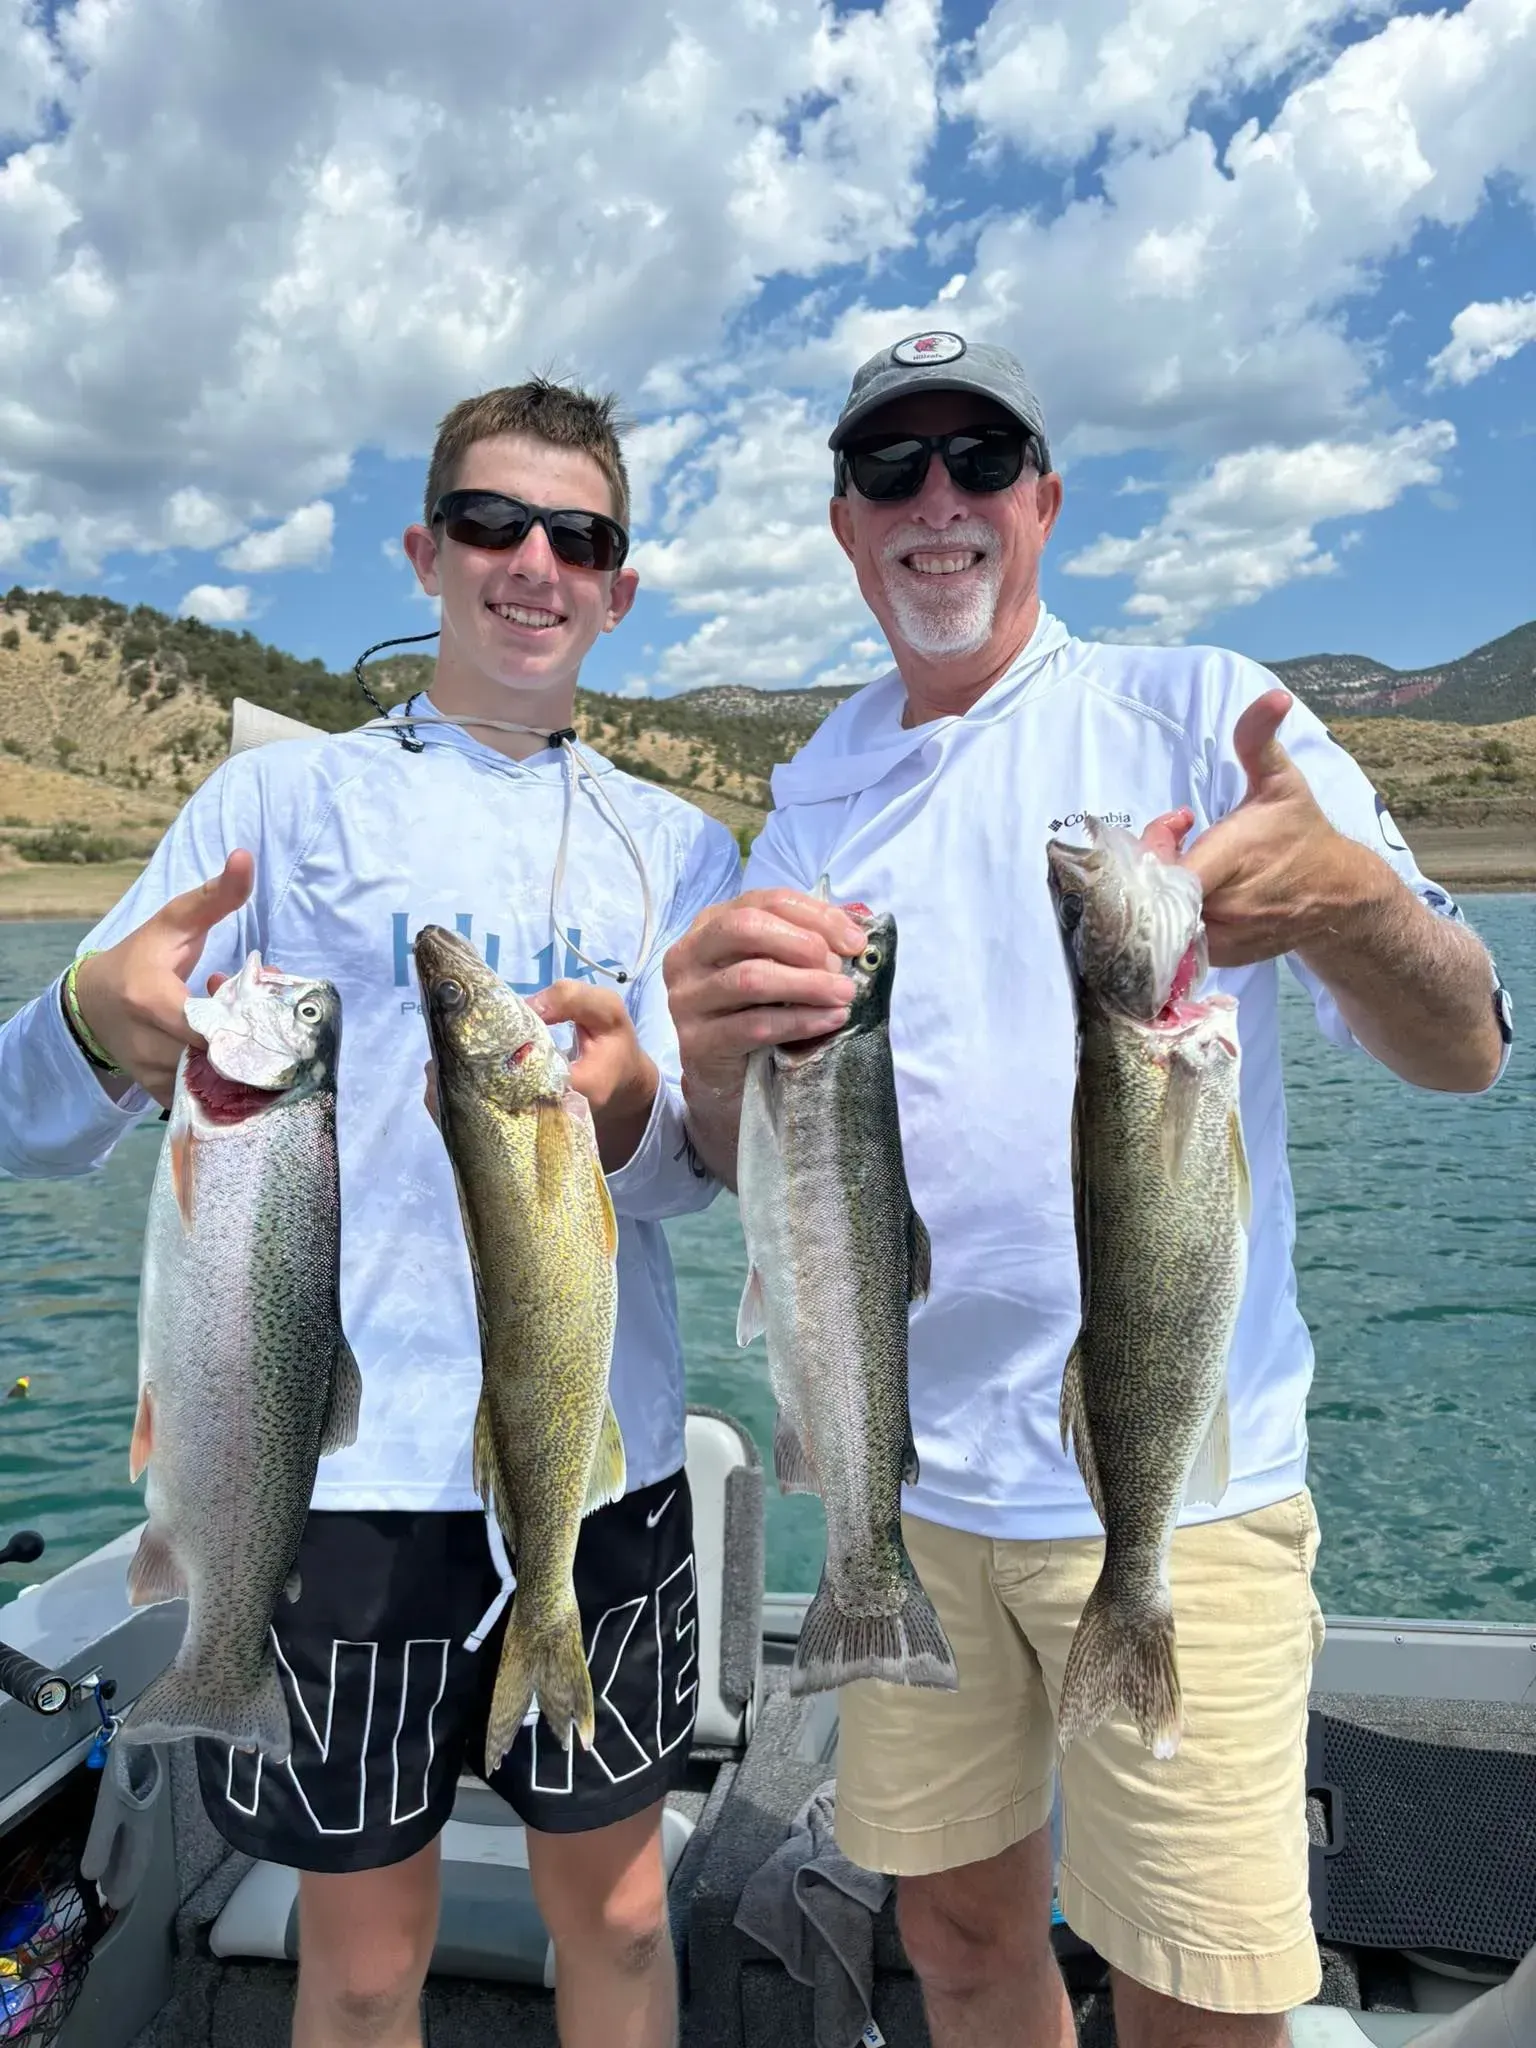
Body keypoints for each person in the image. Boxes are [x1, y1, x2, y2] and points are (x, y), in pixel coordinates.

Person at [662, 330, 1513, 2048]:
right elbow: (729, 1151)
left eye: (980, 460)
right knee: (965, 1945)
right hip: (914, 1487)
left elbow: (1469, 1047)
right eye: (891, 471)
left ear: (1045, 498)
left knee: (1199, 1992)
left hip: (1177, 1493)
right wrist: (706, 1045)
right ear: (844, 526)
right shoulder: (811, 790)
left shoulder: (1205, 712)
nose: (938, 504)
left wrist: (1352, 901)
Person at [0, 377, 742, 2048]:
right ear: (425, 552)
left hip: (591, 1467)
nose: (532, 562)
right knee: (358, 1961)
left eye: (579, 535)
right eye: (491, 522)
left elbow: (702, 1176)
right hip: (336, 1479)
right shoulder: (276, 810)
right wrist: (87, 1023)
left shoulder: (680, 848)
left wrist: (633, 1120)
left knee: (622, 1918)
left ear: (622, 582)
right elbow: (27, 1128)